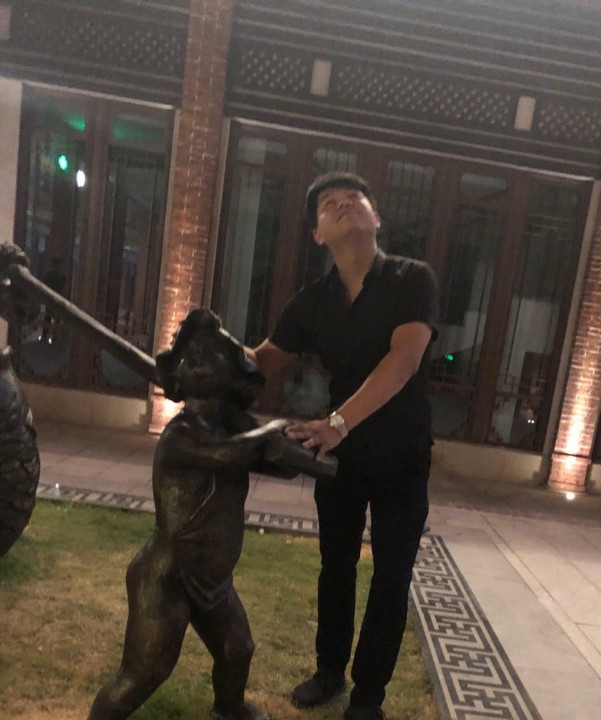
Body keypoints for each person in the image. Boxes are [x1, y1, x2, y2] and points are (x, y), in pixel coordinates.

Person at [246, 172, 439, 720]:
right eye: (331, 204)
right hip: (342, 459)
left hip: (402, 452)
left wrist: (336, 422)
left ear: (376, 218)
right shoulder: (313, 301)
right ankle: (329, 672)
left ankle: (368, 697)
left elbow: (403, 361)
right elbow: (260, 361)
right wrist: (201, 357)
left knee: (392, 574)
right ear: (318, 234)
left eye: (356, 199)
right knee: (336, 565)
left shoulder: (411, 279)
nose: (346, 204)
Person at [87, 309, 288, 720]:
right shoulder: (181, 435)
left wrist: (286, 446)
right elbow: (229, 455)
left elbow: (279, 464)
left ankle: (229, 709)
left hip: (212, 577)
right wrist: (271, 432)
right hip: (168, 575)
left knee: (237, 649)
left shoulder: (233, 427)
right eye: (188, 354)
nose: (196, 358)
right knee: (145, 672)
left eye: (210, 353)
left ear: (235, 375)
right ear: (176, 374)